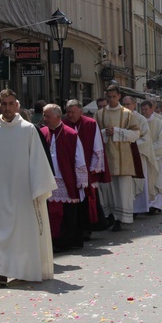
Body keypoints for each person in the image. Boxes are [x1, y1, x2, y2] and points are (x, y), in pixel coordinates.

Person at [0, 89, 56, 286]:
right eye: (3, 104)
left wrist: (38, 188)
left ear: (17, 105)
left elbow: (38, 160)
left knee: (22, 233)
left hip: (23, 191)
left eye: (11, 103)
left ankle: (24, 270)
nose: (7, 107)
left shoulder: (28, 129)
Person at [40, 104, 87, 252]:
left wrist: (81, 180)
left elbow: (79, 158)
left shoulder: (70, 134)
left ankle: (67, 240)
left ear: (58, 117)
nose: (44, 119)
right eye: (44, 115)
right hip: (48, 179)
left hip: (66, 179)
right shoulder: (42, 133)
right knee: (51, 212)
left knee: (67, 213)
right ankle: (52, 241)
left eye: (47, 116)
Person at [95, 86, 140, 231]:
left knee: (122, 189)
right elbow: (94, 135)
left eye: (114, 96)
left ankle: (121, 218)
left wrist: (117, 132)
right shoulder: (100, 114)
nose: (111, 99)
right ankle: (110, 215)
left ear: (119, 96)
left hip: (123, 158)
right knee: (107, 189)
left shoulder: (127, 114)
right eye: (109, 97)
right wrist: (104, 132)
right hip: (106, 157)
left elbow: (136, 134)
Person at [63, 99, 110, 234]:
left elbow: (97, 147)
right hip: (70, 170)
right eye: (68, 112)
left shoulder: (90, 124)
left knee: (89, 199)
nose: (70, 115)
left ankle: (91, 227)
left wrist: (94, 168)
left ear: (80, 111)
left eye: (73, 112)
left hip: (88, 167)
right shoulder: (64, 124)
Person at [122, 96, 159, 216]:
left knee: (137, 180)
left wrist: (131, 145)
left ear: (134, 105)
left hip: (137, 154)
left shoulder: (141, 119)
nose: (126, 107)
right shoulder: (120, 118)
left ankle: (137, 208)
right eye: (124, 104)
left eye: (128, 104)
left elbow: (146, 139)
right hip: (122, 155)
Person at [141, 99, 162, 213]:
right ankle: (147, 204)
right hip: (145, 157)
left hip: (157, 156)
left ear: (152, 109)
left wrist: (150, 149)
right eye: (142, 109)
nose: (144, 112)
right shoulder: (139, 121)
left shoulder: (158, 122)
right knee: (147, 181)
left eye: (146, 109)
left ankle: (156, 205)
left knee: (157, 180)